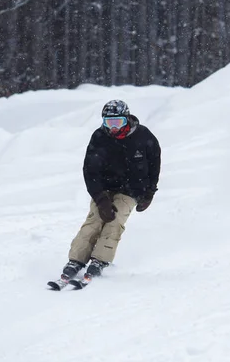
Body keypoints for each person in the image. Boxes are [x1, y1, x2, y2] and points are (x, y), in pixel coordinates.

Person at [61, 99, 161, 279]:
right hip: (105, 188)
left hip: (132, 189)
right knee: (94, 221)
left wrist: (150, 193)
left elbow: (154, 165)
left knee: (115, 221)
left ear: (127, 119)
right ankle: (76, 259)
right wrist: (100, 198)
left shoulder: (144, 136)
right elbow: (90, 170)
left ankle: (100, 259)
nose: (113, 128)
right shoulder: (100, 138)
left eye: (118, 122)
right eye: (109, 122)